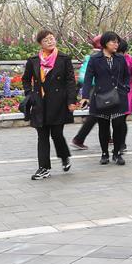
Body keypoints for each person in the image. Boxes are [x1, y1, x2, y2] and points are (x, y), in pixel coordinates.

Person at [22, 30, 79, 180]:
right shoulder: (34, 60)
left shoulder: (64, 59)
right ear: (40, 43)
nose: (50, 41)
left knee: (56, 134)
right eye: (46, 40)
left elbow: (70, 81)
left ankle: (64, 156)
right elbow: (26, 79)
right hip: (39, 103)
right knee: (42, 136)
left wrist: (71, 101)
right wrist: (30, 94)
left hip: (58, 103)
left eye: (52, 39)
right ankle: (44, 168)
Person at [81, 31, 130, 166]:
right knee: (103, 127)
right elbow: (88, 78)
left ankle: (117, 153)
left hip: (119, 96)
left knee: (118, 125)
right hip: (101, 97)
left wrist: (125, 87)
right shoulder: (95, 59)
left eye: (117, 42)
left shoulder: (120, 58)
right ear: (105, 43)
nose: (116, 44)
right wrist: (85, 96)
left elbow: (126, 75)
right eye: (113, 42)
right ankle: (104, 153)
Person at [71, 35, 102, 150]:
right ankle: (78, 139)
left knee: (102, 113)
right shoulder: (98, 57)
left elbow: (81, 76)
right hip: (96, 88)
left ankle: (108, 137)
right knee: (95, 115)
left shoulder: (89, 56)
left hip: (91, 88)